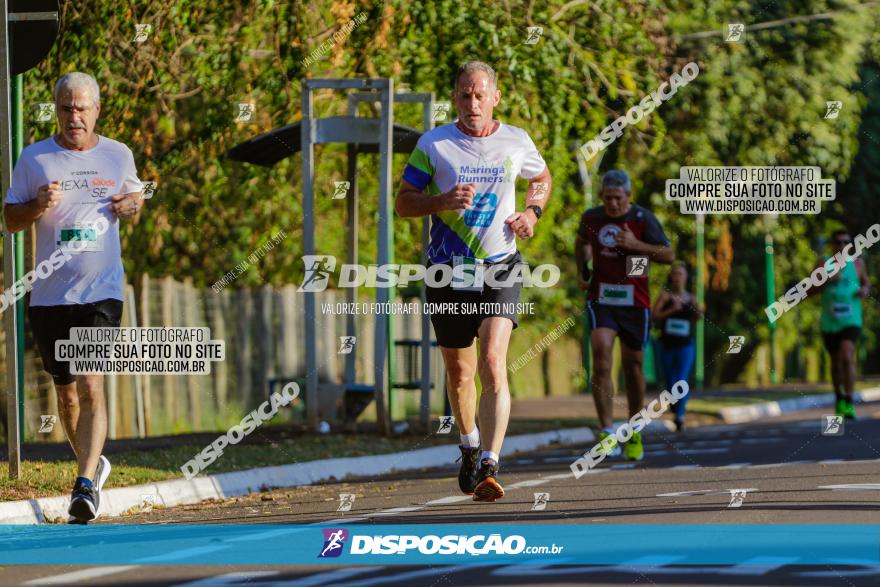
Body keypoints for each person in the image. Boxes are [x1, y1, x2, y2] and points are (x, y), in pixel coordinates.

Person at [396, 60, 552, 501]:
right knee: (460, 372)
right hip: (448, 269)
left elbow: (540, 178)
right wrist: (442, 200)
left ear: (495, 97)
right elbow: (403, 203)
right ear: (456, 97)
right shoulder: (434, 144)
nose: (472, 103)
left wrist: (532, 213)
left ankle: (490, 461)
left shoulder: (516, 140)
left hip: (501, 264)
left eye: (480, 94)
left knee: (491, 359)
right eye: (464, 95)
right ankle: (467, 444)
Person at [3, 72, 144, 522]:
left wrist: (131, 207)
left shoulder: (118, 155)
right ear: (57, 110)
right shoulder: (34, 158)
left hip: (100, 292)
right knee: (66, 397)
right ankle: (92, 463)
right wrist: (38, 205)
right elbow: (9, 220)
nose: (74, 117)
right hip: (49, 294)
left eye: (82, 108)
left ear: (97, 110)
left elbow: (136, 197)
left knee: (91, 382)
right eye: (66, 108)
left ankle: (83, 486)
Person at [576, 170, 673, 461]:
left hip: (635, 302)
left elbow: (668, 255)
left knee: (633, 366)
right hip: (602, 299)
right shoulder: (592, 218)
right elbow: (581, 242)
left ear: (628, 197)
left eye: (618, 199)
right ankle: (606, 431)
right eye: (608, 198)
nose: (613, 204)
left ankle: (634, 429)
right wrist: (583, 270)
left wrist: (636, 246)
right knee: (601, 353)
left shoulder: (642, 219)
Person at [813, 229, 870, 419]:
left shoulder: (858, 263)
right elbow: (809, 288)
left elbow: (866, 284)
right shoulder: (823, 263)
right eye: (838, 242)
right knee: (836, 363)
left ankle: (849, 400)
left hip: (851, 319)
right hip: (830, 321)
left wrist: (864, 290)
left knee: (847, 354)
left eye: (846, 242)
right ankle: (839, 398)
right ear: (832, 245)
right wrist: (827, 280)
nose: (842, 246)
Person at [652, 262, 701, 431]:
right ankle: (675, 405)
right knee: (670, 380)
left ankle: (680, 416)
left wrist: (697, 310)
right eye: (675, 274)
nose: (678, 278)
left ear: (686, 277)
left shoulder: (692, 298)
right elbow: (654, 315)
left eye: (681, 274)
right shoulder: (665, 297)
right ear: (671, 277)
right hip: (666, 345)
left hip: (685, 346)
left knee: (681, 379)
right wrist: (671, 310)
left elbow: (697, 318)